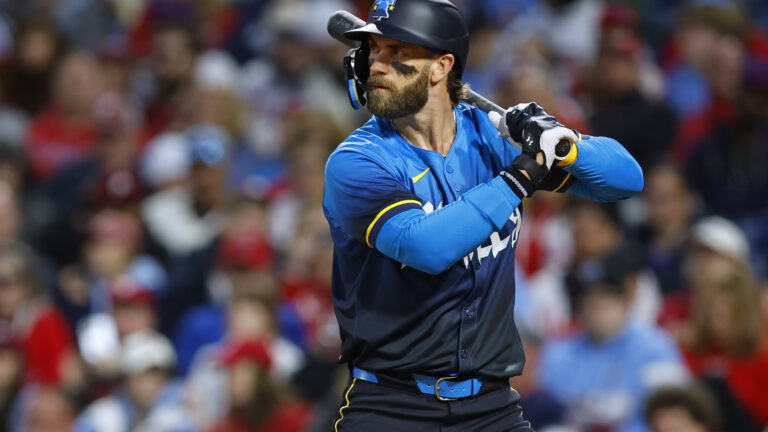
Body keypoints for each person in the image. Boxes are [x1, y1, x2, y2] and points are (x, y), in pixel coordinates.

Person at [321, 0, 643, 430]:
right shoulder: (358, 160)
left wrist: (563, 143)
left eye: (396, 53)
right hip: (391, 405)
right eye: (373, 52)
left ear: (441, 66)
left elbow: (626, 179)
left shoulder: (491, 136)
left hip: (491, 406)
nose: (376, 66)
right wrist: (519, 179)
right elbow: (426, 247)